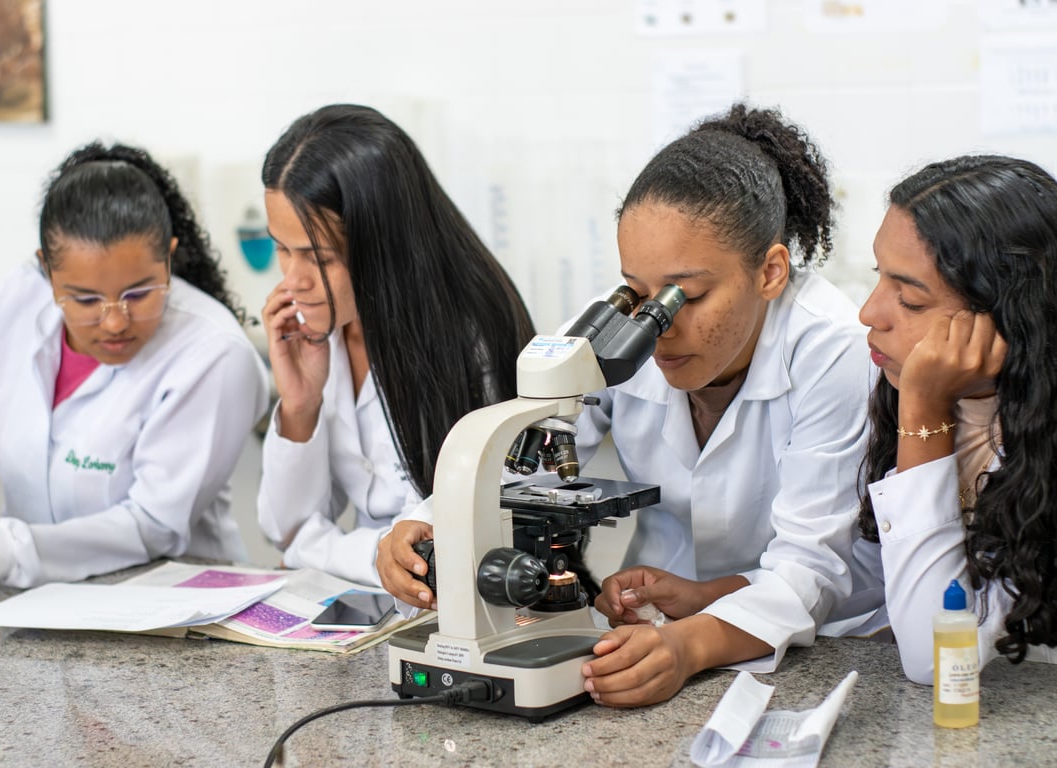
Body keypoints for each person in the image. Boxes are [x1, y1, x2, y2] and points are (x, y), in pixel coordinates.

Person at [377, 103, 882, 707]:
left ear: (770, 271)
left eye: (686, 295)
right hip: (651, 629)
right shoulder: (618, 330)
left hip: (823, 652)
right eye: (637, 293)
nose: (657, 326)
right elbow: (525, 456)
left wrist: (689, 646)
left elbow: (810, 570)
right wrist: (429, 522)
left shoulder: (833, 349)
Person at [0, 142, 269, 602]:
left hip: (173, 611)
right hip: (36, 606)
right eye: (85, 299)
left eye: (139, 294)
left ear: (169, 258)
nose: (115, 321)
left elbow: (154, 524)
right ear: (46, 270)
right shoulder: (19, 298)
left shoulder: (213, 353)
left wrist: (7, 550)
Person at [256, 104, 536, 586]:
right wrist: (300, 406)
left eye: (318, 257)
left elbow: (423, 551)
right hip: (362, 601)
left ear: (383, 245)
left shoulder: (471, 333)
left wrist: (319, 550)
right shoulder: (319, 334)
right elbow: (286, 532)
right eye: (282, 249)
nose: (293, 280)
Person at [857, 154, 1057, 684]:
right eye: (878, 277)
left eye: (910, 300)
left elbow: (939, 660)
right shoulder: (893, 384)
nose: (869, 313)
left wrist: (924, 414)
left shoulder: (932, 401)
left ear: (1008, 317)